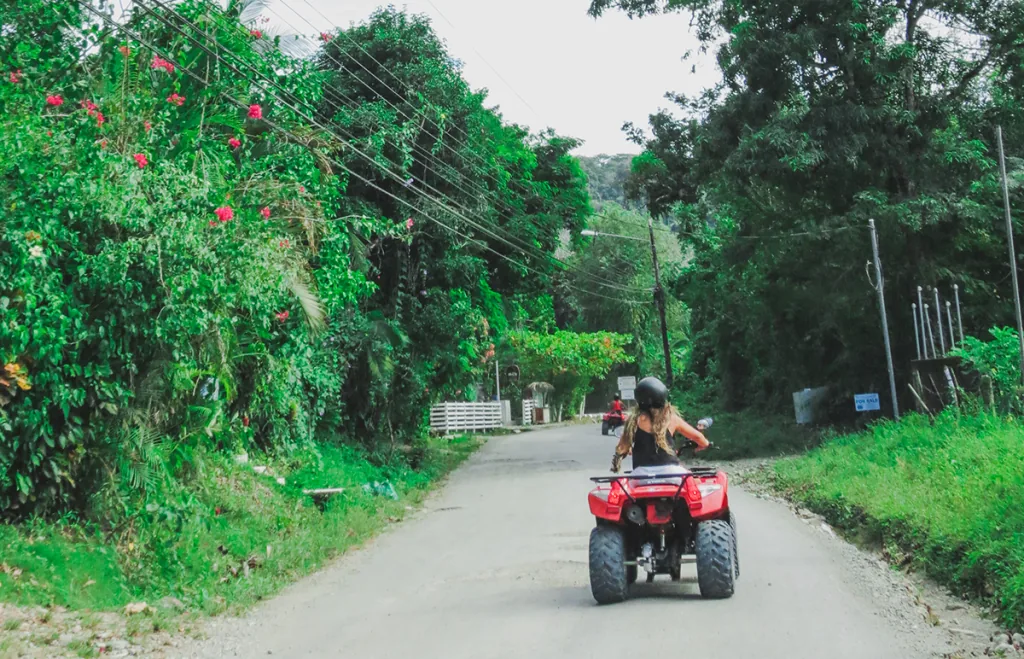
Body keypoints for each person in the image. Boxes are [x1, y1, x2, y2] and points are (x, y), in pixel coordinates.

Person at [611, 376, 710, 473]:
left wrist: (625, 452)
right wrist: (704, 444)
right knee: (691, 481)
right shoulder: (671, 418)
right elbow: (698, 437)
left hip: (641, 475)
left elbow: (621, 448)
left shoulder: (633, 421)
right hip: (670, 472)